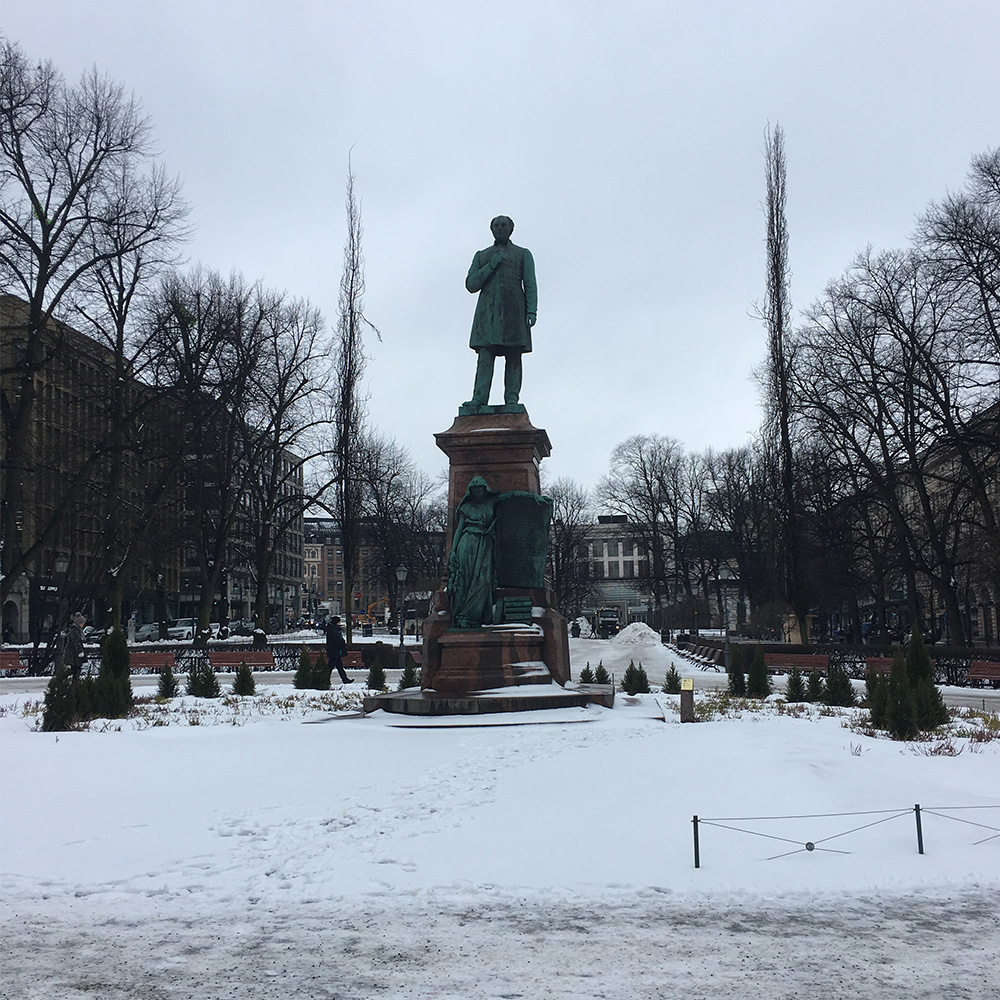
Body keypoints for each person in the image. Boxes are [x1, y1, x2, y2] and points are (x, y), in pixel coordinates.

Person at [463, 216, 537, 411]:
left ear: (511, 229)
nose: (500, 228)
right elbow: (471, 284)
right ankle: (479, 398)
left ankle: (511, 399)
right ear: (492, 229)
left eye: (504, 225)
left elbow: (530, 284)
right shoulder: (482, 256)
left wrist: (531, 310)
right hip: (487, 315)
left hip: (514, 312)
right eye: (496, 226)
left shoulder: (522, 254)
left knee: (514, 356)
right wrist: (490, 266)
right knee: (485, 357)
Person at [325, 616, 353, 685]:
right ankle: (325, 679)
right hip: (334, 651)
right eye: (339, 622)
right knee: (331, 666)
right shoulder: (334, 630)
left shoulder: (333, 629)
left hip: (335, 651)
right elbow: (336, 641)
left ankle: (345, 679)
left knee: (339, 666)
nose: (340, 623)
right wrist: (342, 643)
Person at [60, 612, 87, 679]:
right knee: (75, 669)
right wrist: (80, 651)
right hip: (73, 653)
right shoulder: (74, 630)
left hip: (73, 653)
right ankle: (61, 678)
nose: (83, 624)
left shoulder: (76, 630)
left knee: (75, 669)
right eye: (82, 623)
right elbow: (75, 642)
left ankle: (71, 680)